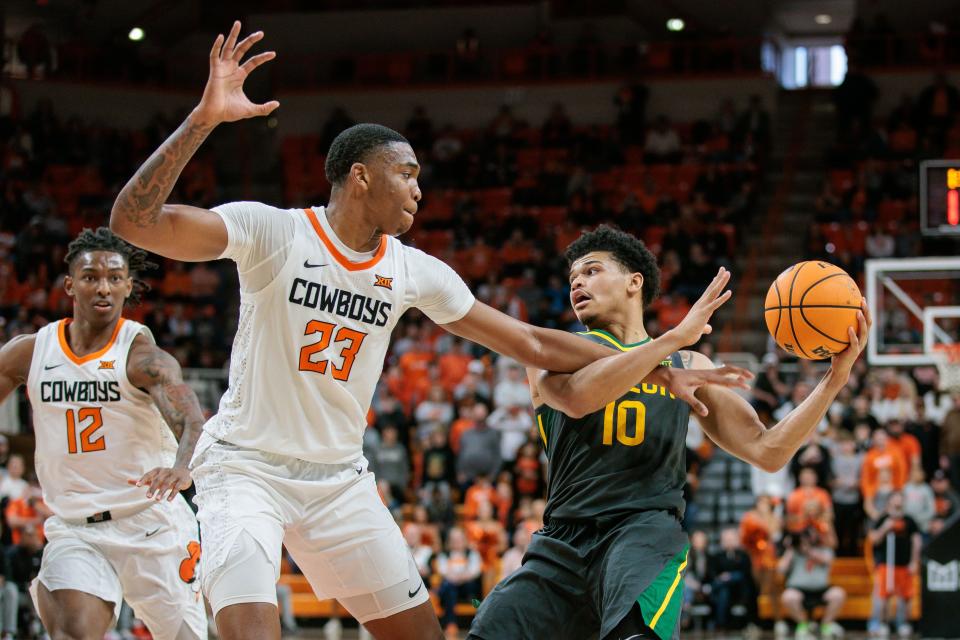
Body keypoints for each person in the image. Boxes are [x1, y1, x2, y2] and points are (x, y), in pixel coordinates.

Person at [108, 21, 745, 640]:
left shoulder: (414, 271)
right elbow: (134, 224)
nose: (420, 187)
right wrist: (202, 121)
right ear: (360, 175)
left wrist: (661, 361)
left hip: (337, 481)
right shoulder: (274, 231)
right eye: (407, 173)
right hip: (245, 469)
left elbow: (530, 343)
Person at [468, 225, 872, 640]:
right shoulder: (558, 353)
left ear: (634, 282)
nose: (577, 284)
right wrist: (672, 340)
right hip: (562, 541)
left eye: (591, 271)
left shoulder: (688, 364)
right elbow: (578, 399)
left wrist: (834, 379)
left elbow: (767, 450)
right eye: (573, 278)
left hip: (642, 533)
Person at [0, 228, 207, 639]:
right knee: (73, 631)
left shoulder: (141, 356)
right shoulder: (31, 351)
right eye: (91, 276)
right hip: (77, 527)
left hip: (150, 521)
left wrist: (183, 467)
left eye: (115, 278)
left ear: (129, 286)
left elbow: (191, 420)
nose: (104, 288)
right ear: (69, 284)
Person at [867, 491, 921, 639]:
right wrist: (885, 528)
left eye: (900, 501)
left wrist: (914, 561)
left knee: (905, 597)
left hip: (904, 565)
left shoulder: (909, 520)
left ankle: (902, 623)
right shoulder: (882, 519)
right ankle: (882, 623)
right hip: (886, 564)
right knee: (883, 596)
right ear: (889, 502)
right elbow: (873, 540)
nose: (897, 504)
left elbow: (916, 542)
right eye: (894, 501)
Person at [779, 527, 845, 640]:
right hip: (798, 589)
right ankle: (803, 625)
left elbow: (827, 560)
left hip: (821, 589)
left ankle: (826, 625)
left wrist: (808, 551)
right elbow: (781, 569)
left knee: (838, 594)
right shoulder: (793, 551)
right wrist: (790, 549)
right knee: (788, 596)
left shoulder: (824, 549)